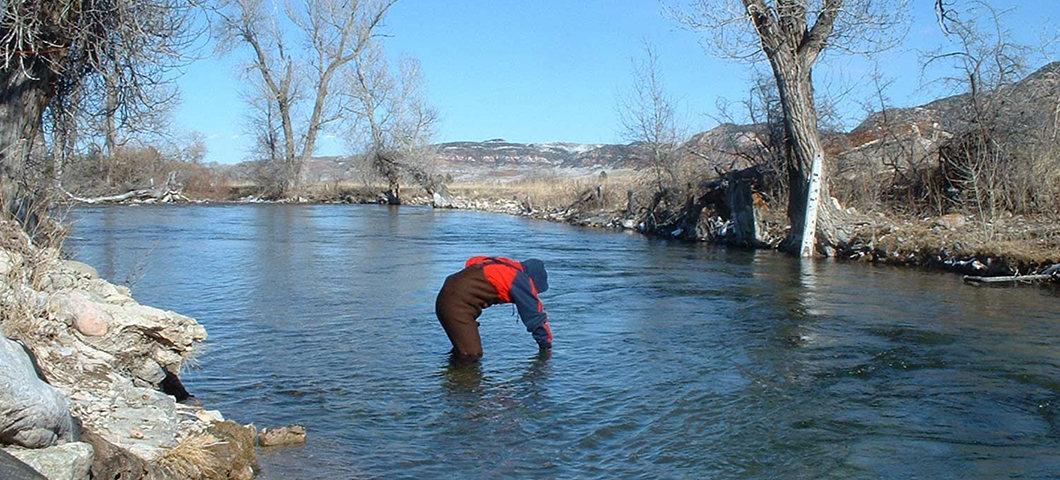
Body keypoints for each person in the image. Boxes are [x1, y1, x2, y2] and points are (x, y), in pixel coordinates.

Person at [436, 256, 552, 360]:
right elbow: (534, 316)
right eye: (536, 290)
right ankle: (462, 382)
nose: (535, 293)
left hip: (446, 298)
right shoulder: (519, 280)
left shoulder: (501, 266)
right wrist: (545, 347)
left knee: (461, 349)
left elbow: (471, 265)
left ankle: (450, 378)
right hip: (456, 307)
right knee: (472, 354)